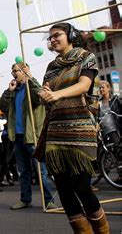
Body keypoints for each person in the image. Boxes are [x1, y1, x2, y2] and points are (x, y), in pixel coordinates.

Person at [38, 22, 109, 233]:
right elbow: (47, 94)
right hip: (55, 133)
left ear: (70, 35)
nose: (52, 40)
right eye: (50, 38)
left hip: (81, 131)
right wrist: (44, 94)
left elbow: (84, 85)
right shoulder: (51, 67)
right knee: (64, 189)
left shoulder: (86, 57)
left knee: (82, 187)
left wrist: (57, 94)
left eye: (56, 35)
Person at [0, 63, 56, 210]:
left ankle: (48, 201)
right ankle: (25, 199)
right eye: (12, 71)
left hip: (33, 136)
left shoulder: (32, 89)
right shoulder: (14, 91)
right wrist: (8, 91)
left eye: (16, 71)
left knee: (41, 171)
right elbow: (3, 107)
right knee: (23, 171)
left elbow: (40, 97)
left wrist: (31, 78)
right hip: (18, 137)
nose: (13, 74)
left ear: (24, 71)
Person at [98, 80, 121, 158]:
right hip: (103, 131)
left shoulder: (115, 99)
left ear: (108, 88)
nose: (101, 89)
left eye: (103, 87)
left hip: (114, 129)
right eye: (100, 88)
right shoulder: (98, 102)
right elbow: (97, 116)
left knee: (118, 150)